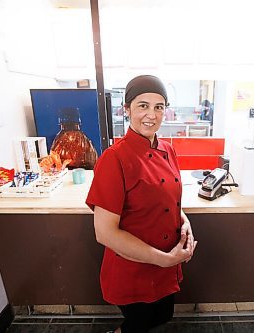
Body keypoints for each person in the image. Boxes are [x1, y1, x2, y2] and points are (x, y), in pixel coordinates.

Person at [86, 75, 197, 333]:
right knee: (139, 324)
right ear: (126, 109)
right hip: (134, 267)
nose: (152, 114)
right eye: (142, 105)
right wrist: (164, 260)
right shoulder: (114, 159)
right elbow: (105, 233)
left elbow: (171, 201)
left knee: (161, 317)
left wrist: (186, 224)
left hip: (167, 262)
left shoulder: (169, 150)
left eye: (159, 107)